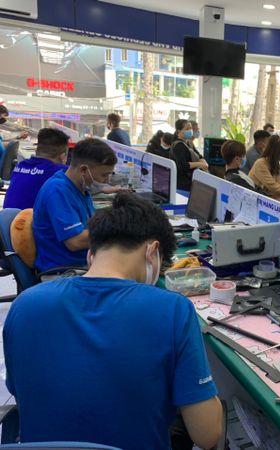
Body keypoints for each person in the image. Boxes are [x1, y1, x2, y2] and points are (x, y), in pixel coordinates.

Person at [4, 193, 223, 450]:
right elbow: (206, 436)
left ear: (90, 254)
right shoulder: (173, 310)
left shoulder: (25, 304)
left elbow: (22, 391)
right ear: (152, 251)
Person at [33, 138, 117, 272]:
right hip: (63, 271)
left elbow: (90, 227)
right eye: (104, 175)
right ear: (83, 170)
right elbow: (75, 241)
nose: (107, 181)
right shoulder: (57, 190)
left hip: (83, 264)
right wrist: (120, 232)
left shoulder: (82, 188)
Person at [3, 128, 69, 210]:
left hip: (8, 217)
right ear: (62, 157)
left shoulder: (20, 166)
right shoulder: (60, 171)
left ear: (36, 150)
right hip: (29, 218)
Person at [171, 119, 208, 191]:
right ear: (179, 131)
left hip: (193, 177)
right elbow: (184, 165)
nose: (190, 131)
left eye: (190, 128)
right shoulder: (178, 146)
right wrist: (199, 164)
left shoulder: (189, 142)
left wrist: (204, 162)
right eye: (187, 129)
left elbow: (199, 155)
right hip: (183, 182)